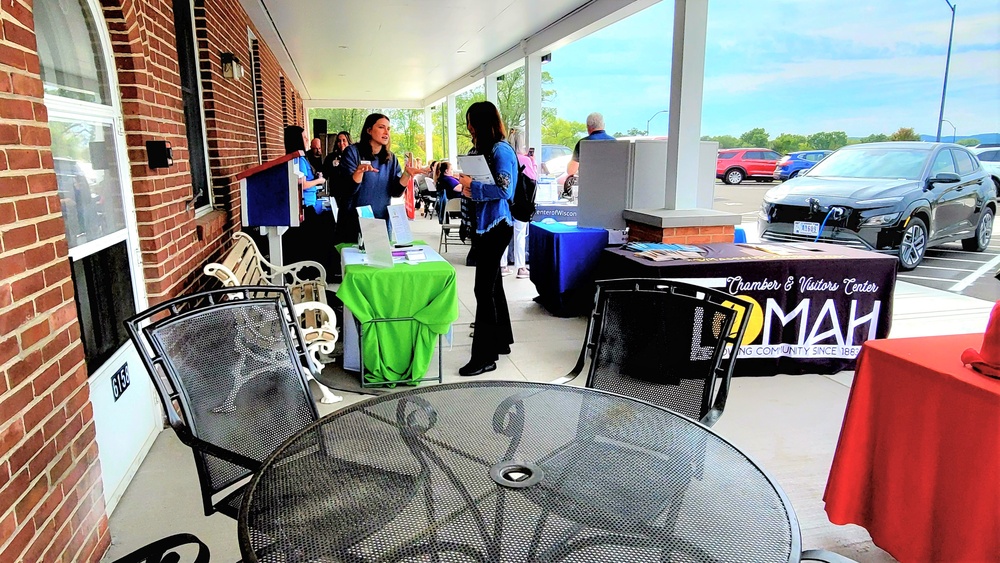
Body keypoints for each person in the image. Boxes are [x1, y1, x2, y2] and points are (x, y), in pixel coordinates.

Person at [456, 101, 517, 377]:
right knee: (493, 286)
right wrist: (470, 190)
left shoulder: (501, 149)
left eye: (470, 121)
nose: (468, 127)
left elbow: (505, 190)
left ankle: (484, 356)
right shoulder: (481, 151)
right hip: (484, 226)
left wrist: (473, 186)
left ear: (480, 123)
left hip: (498, 225)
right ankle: (501, 341)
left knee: (483, 289)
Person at [335, 113, 421, 245]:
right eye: (381, 127)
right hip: (353, 222)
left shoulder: (391, 158)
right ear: (369, 130)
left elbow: (395, 192)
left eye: (389, 129)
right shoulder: (352, 152)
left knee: (380, 263)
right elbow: (348, 190)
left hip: (380, 222)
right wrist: (359, 172)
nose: (386, 132)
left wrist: (406, 175)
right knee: (352, 263)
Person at [281, 126, 336, 279]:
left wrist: (315, 177)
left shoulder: (301, 157)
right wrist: (319, 180)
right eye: (304, 137)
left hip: (311, 205)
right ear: (296, 139)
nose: (306, 140)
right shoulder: (296, 158)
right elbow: (302, 184)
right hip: (305, 209)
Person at [501, 127, 535, 279]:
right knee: (520, 234)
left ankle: (502, 266)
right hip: (521, 202)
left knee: (504, 234)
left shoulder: (505, 157)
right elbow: (533, 181)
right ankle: (521, 267)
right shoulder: (526, 160)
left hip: (505, 200)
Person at [565, 112, 615, 176]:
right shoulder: (614, 142)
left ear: (588, 127)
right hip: (611, 183)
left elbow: (571, 171)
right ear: (604, 125)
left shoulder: (582, 143)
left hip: (588, 184)